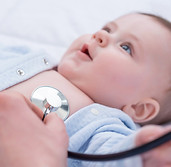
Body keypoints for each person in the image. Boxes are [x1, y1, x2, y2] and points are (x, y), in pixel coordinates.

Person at [0, 13, 171, 166]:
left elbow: (113, 157)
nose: (101, 35)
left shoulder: (103, 127)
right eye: (108, 29)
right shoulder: (24, 56)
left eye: (126, 47)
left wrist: (142, 151)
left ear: (138, 108)